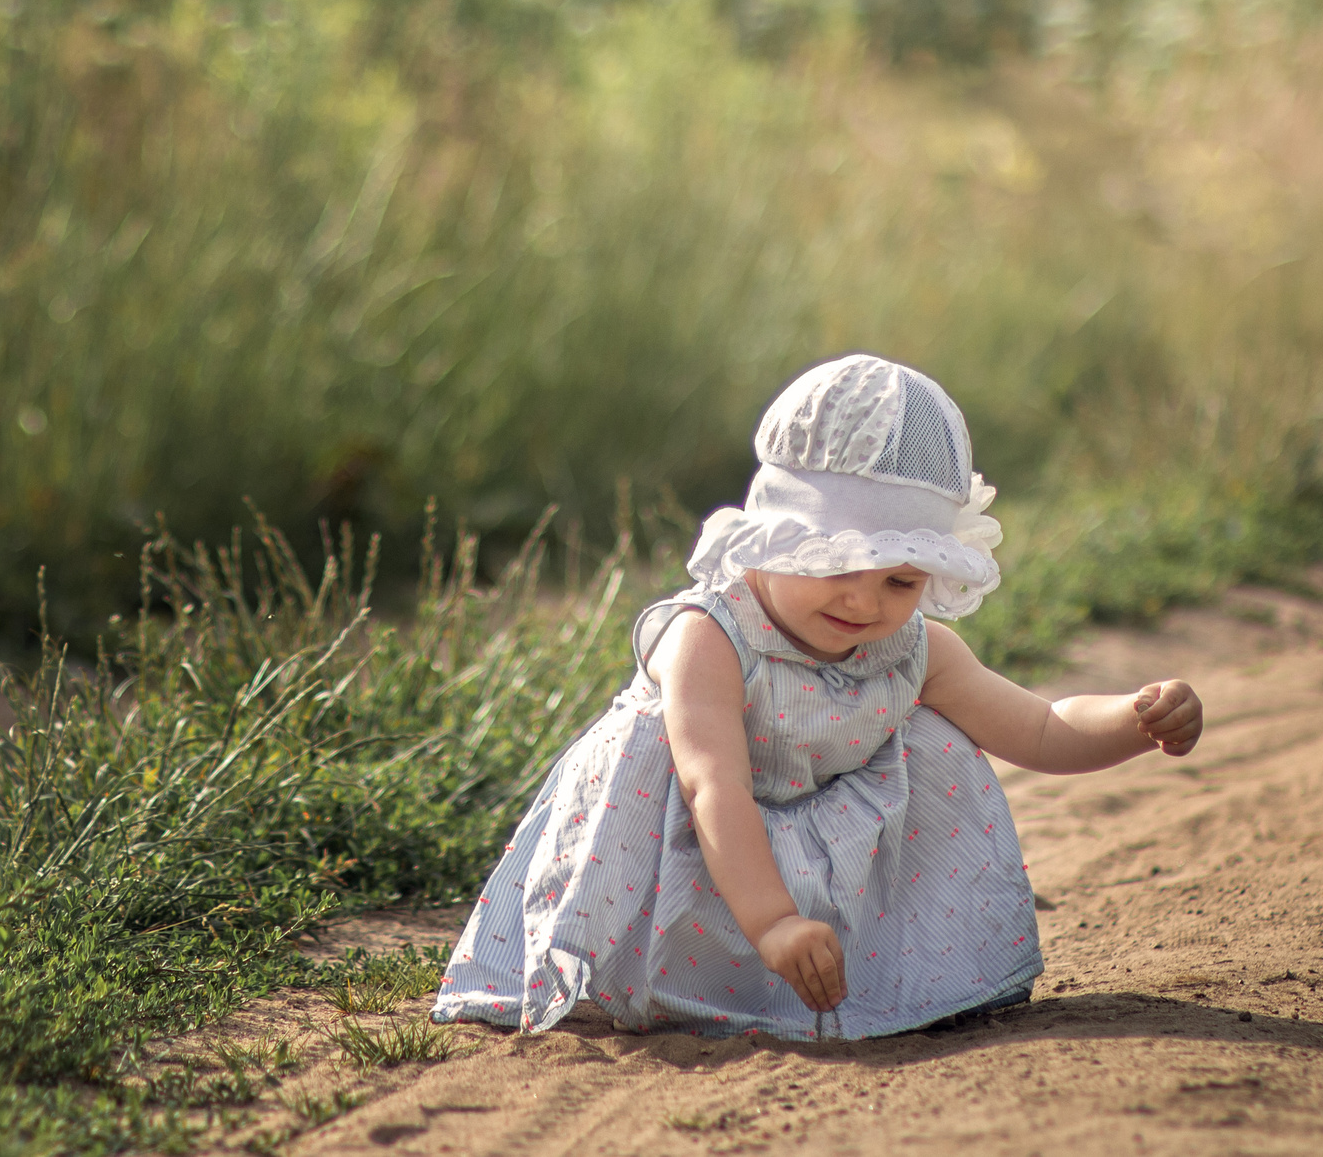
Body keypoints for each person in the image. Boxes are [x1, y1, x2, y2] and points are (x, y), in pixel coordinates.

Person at [432, 354, 1204, 1039]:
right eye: (833, 561)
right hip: (680, 842)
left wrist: (1136, 719)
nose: (865, 602)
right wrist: (772, 923)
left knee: (937, 738)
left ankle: (881, 975)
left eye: (900, 579)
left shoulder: (912, 647)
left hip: (804, 851)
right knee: (690, 890)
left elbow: (1038, 726)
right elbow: (714, 786)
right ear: (776, 535)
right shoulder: (711, 637)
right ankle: (686, 977)